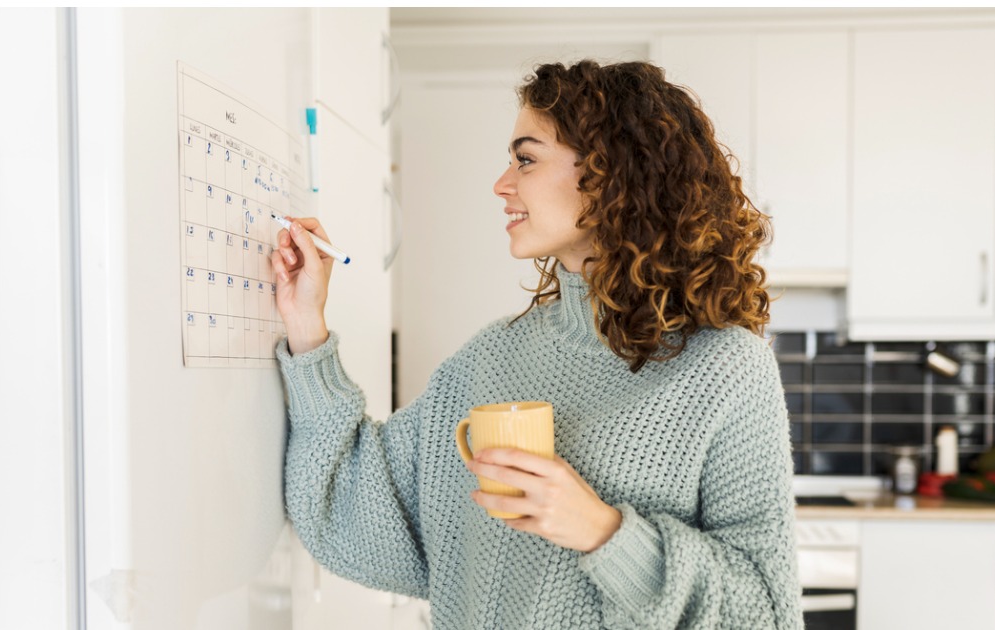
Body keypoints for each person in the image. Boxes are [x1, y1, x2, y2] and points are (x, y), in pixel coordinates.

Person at [270, 60, 803, 630]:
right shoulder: (490, 358)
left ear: (612, 172)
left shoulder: (726, 368)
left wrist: (604, 533)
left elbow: (766, 614)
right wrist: (307, 329)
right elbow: (353, 510)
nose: (502, 184)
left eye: (526, 159)